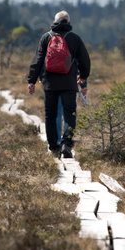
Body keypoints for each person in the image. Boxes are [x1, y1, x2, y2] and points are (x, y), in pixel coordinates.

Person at [27, 11, 91, 159]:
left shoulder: (46, 37)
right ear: (68, 23)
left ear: (54, 22)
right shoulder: (75, 38)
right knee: (69, 114)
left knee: (50, 115)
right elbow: (85, 60)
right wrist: (83, 77)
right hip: (69, 83)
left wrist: (32, 81)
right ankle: (66, 144)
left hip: (49, 83)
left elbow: (37, 61)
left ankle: (54, 148)